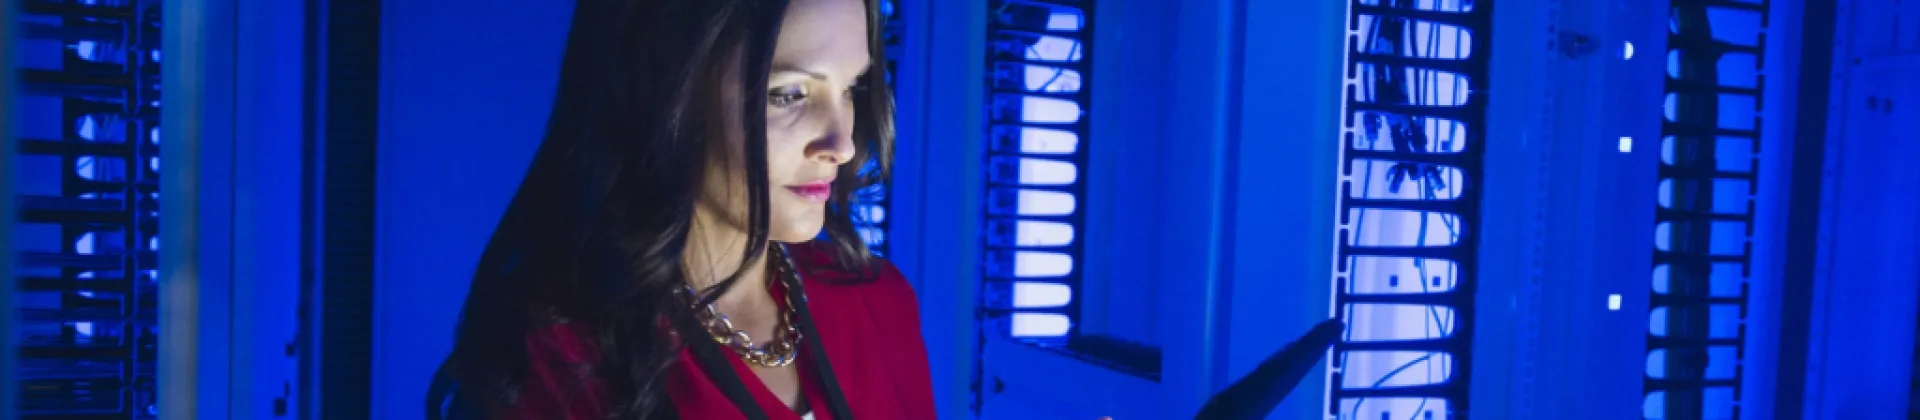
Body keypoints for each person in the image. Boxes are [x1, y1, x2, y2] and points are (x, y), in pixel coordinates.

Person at [424, 0, 932, 418]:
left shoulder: (878, 303)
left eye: (851, 88)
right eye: (790, 94)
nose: (841, 143)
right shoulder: (564, 359)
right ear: (669, 90)